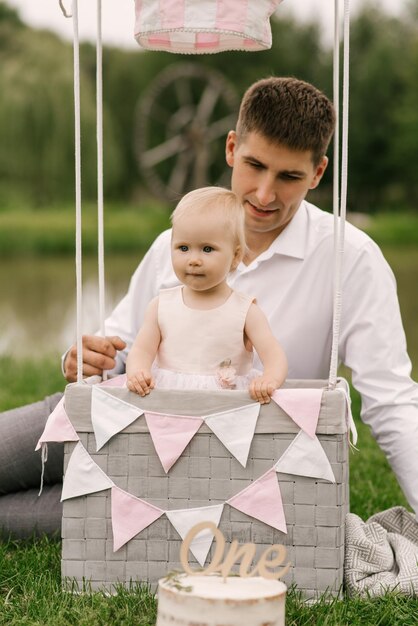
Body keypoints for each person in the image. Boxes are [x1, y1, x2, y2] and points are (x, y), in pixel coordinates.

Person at [0, 76, 417, 538]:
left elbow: (392, 399)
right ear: (231, 147)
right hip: (114, 424)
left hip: (228, 479)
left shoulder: (352, 260)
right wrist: (84, 356)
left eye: (289, 177)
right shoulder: (173, 244)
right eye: (254, 165)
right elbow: (117, 344)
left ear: (318, 174)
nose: (263, 194)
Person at [125, 186, 287, 403]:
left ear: (235, 256)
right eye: (183, 248)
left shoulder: (245, 311)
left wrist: (269, 379)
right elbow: (142, 350)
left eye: (207, 249)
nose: (193, 259)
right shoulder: (160, 306)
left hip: (227, 405)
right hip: (169, 401)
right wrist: (138, 371)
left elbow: (274, 354)